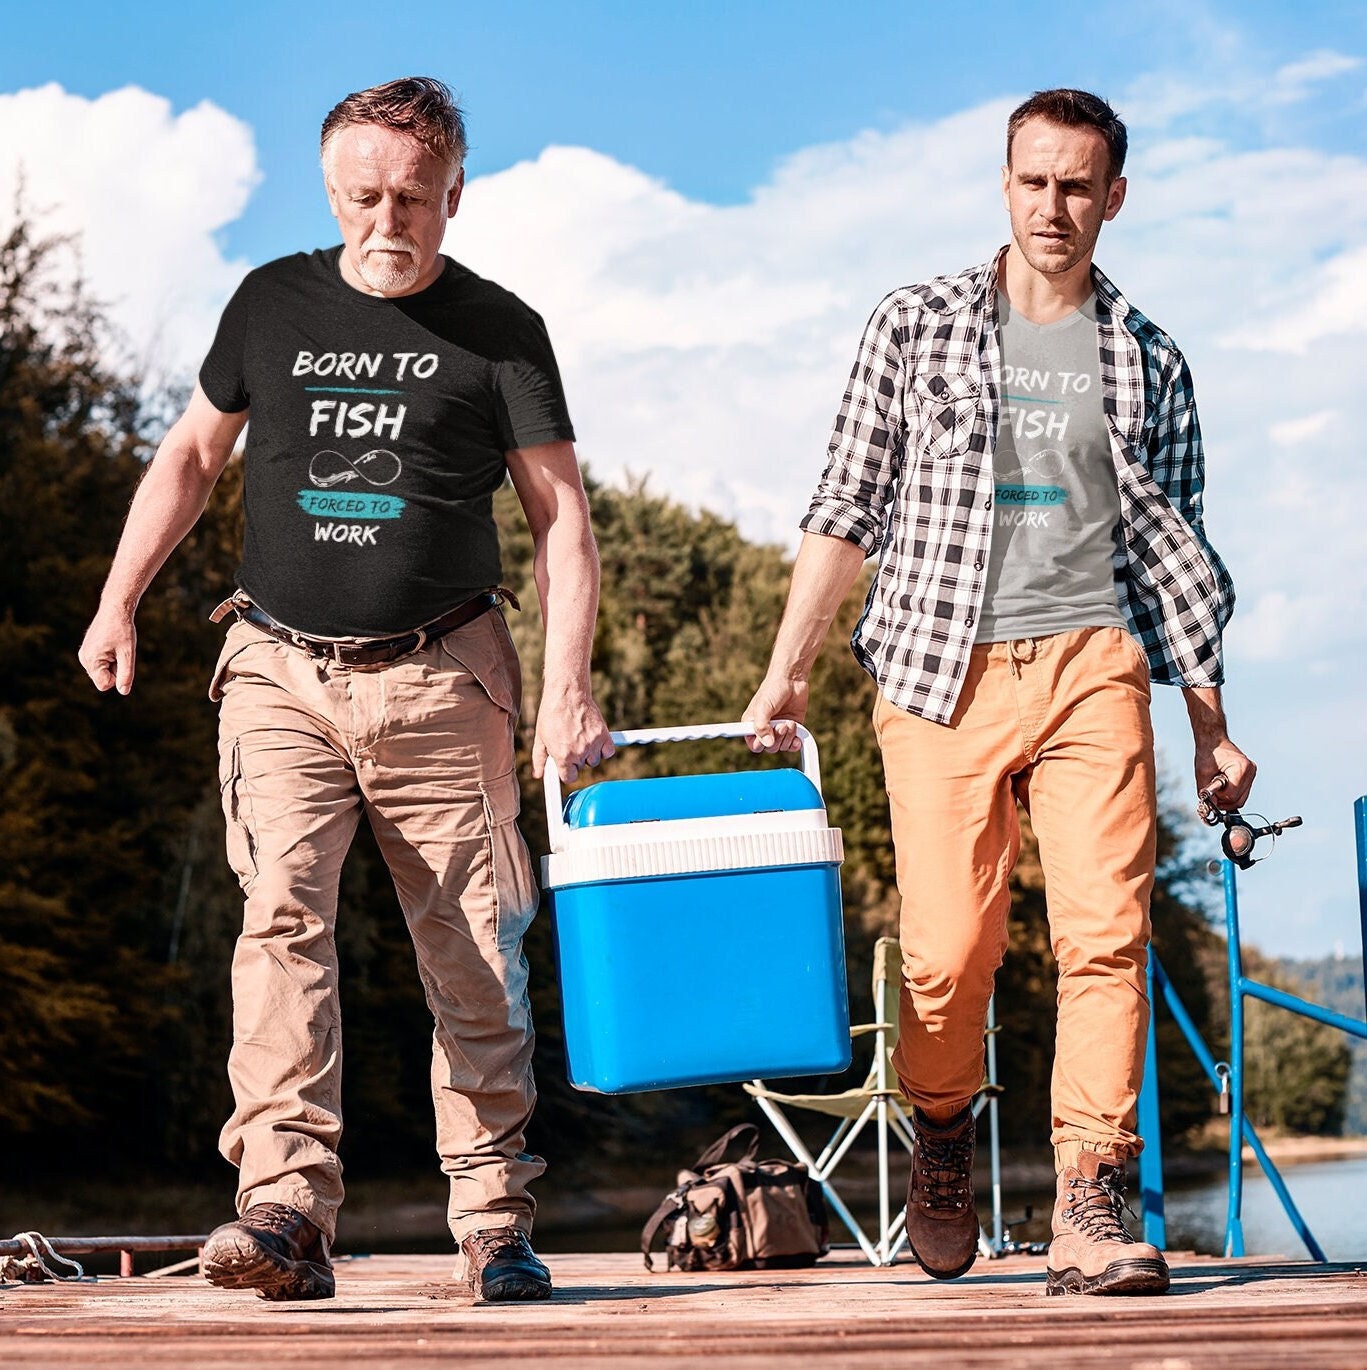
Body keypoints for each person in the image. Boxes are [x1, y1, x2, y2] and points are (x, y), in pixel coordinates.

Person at [78, 76, 613, 1304]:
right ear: (330, 190)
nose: (388, 221)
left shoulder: (501, 329)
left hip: (444, 674)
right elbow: (193, 456)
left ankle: (490, 1217)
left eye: (413, 199)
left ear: (454, 195)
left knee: (474, 949)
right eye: (364, 196)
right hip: (276, 668)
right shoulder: (269, 301)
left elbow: (560, 519)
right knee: (279, 925)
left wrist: (568, 685)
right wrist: (117, 599)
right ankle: (283, 1211)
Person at [744, 88, 1254, 1297]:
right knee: (946, 950)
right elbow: (841, 504)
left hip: (1093, 664)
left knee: (1103, 936)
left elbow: (1175, 557)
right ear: (1003, 183)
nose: (1052, 206)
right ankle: (939, 1125)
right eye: (1033, 181)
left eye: (1078, 185)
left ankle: (1090, 1196)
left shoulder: (1148, 357)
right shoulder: (913, 325)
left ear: (1112, 197)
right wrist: (784, 667)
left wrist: (1211, 730)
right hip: (936, 664)